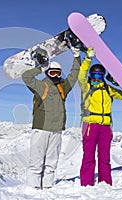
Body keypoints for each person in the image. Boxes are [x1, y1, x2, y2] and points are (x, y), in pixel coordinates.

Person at [22, 48, 81, 189]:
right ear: (48, 72)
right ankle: (33, 189)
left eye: (58, 73)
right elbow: (26, 77)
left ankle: (48, 187)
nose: (55, 75)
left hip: (57, 130)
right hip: (41, 129)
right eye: (52, 72)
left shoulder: (63, 88)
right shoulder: (40, 86)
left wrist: (77, 56)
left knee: (52, 161)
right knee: (36, 161)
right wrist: (41, 68)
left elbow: (74, 75)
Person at [78, 47, 122, 186]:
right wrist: (88, 59)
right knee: (88, 156)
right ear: (91, 75)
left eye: (100, 76)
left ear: (103, 76)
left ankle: (105, 183)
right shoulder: (87, 87)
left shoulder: (107, 88)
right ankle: (87, 184)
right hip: (90, 124)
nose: (97, 78)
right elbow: (81, 75)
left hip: (106, 126)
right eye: (95, 75)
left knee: (104, 157)